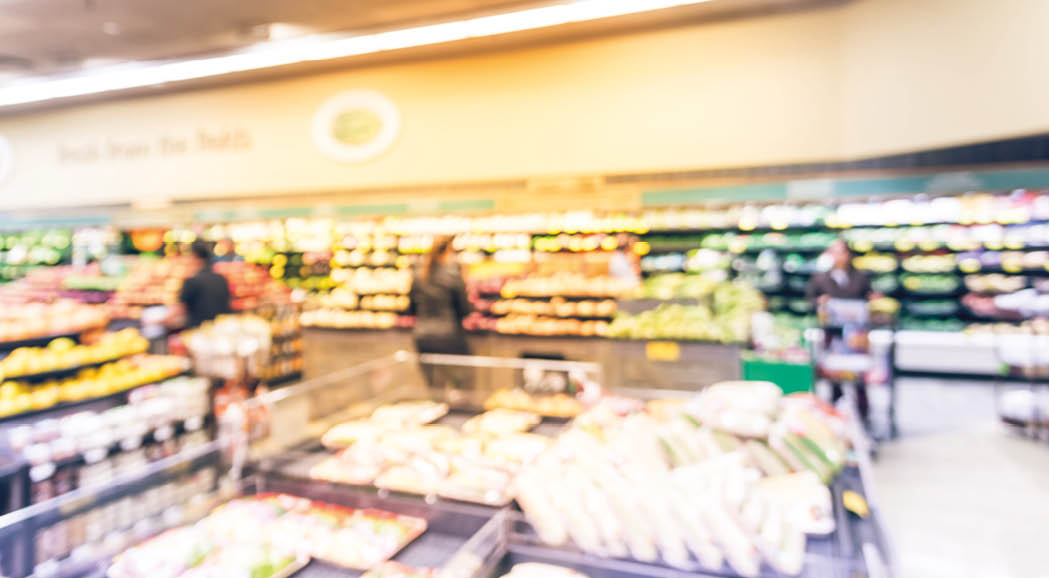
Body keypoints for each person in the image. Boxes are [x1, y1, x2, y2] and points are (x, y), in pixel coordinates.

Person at [806, 238, 872, 422]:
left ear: (848, 254)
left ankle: (863, 413)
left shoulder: (861, 277)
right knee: (833, 375)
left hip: (856, 336)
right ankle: (835, 409)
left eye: (840, 251)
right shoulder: (820, 278)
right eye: (833, 251)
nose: (837, 256)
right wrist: (820, 303)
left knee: (858, 375)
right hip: (832, 335)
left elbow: (868, 298)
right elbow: (810, 300)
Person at [409, 235, 472, 356]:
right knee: (452, 373)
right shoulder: (452, 275)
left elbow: (411, 308)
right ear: (448, 251)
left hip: (422, 335)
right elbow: (464, 309)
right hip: (449, 335)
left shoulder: (418, 274)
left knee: (432, 373)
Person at [178, 239, 233, 329]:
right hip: (221, 327)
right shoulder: (221, 278)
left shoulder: (192, 281)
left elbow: (179, 310)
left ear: (195, 257)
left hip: (198, 330)